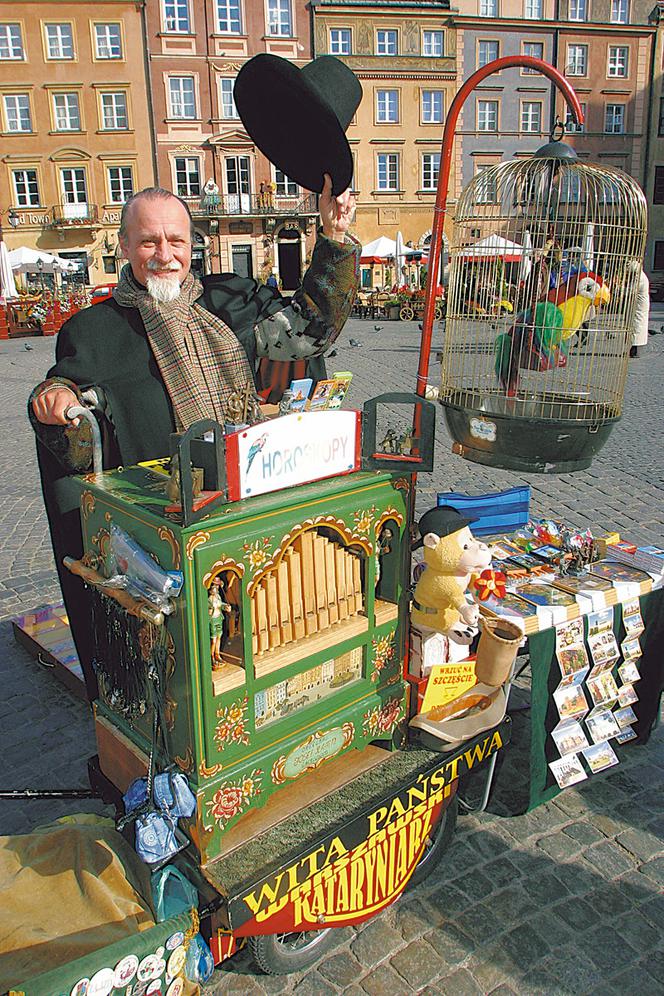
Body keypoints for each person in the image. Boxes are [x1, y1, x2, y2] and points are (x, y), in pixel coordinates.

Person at [30, 178, 359, 697]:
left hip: (242, 508)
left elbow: (310, 328)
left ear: (192, 244)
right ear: (124, 247)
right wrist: (54, 401)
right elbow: (75, 426)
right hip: (162, 534)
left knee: (251, 643)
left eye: (176, 241)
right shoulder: (92, 329)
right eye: (149, 242)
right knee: (186, 669)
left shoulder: (230, 307)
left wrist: (334, 238)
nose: (164, 255)